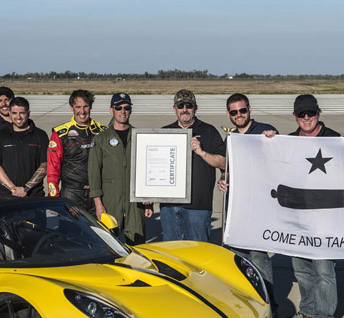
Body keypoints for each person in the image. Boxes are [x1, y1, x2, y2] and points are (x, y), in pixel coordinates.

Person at [265, 95, 340, 318]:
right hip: (296, 219)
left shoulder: (335, 140)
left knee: (323, 269)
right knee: (301, 269)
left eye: (310, 113)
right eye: (301, 114)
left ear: (319, 112)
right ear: (295, 116)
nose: (306, 118)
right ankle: (308, 311)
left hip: (325, 219)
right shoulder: (287, 141)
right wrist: (267, 142)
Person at [217, 93, 278, 301]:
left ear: (249, 109)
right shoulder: (231, 138)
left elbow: (280, 159)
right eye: (234, 112)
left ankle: (269, 303)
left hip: (259, 210)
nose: (239, 115)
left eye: (242, 110)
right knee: (238, 260)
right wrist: (223, 179)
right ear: (228, 114)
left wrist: (274, 139)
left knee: (260, 259)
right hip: (235, 210)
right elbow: (227, 170)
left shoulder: (264, 131)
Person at [159, 89, 225, 242]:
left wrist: (202, 153)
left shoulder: (209, 131)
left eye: (189, 106)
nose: (185, 110)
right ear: (175, 109)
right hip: (169, 207)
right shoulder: (164, 132)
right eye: (181, 106)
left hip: (198, 207)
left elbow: (224, 163)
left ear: (195, 108)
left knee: (198, 253)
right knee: (172, 254)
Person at [88, 93, 153, 244]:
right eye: (118, 108)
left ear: (130, 110)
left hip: (135, 204)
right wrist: (98, 204)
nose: (123, 111)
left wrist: (149, 200)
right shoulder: (101, 139)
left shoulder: (141, 137)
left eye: (126, 108)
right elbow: (94, 173)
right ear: (112, 110)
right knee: (109, 245)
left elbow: (149, 170)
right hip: (110, 201)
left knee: (138, 245)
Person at [46, 89, 106, 212]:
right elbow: (53, 169)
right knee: (70, 231)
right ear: (71, 107)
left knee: (100, 231)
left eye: (85, 106)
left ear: (91, 107)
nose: (82, 111)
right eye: (78, 107)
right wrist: (54, 197)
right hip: (71, 194)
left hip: (98, 194)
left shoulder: (103, 131)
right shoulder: (60, 134)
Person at [0, 97, 48, 197]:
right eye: (14, 113)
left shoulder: (40, 135)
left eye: (22, 113)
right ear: (10, 114)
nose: (18, 117)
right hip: (7, 196)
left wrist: (26, 188)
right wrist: (13, 189)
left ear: (28, 113)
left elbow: (45, 165)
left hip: (34, 196)